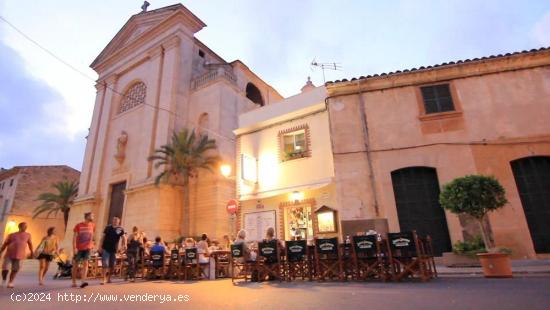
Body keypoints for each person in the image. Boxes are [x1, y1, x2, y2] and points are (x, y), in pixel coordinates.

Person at [0, 222, 33, 288]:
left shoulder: (28, 235)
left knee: (15, 269)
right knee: (5, 268)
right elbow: (5, 244)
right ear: (19, 227)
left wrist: (32, 252)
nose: (25, 227)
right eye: (24, 226)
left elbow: (30, 244)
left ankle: (10, 282)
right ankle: (4, 280)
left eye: (26, 226)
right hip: (9, 254)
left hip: (20, 255)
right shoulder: (11, 235)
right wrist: (0, 251)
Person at [99, 216, 126, 285]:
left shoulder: (120, 229)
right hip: (105, 248)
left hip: (114, 250)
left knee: (112, 265)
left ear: (119, 221)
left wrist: (124, 245)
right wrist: (100, 247)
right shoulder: (108, 227)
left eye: (116, 220)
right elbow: (103, 237)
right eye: (114, 219)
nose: (115, 221)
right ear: (112, 220)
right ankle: (103, 279)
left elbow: (124, 238)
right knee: (105, 264)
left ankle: (109, 278)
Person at [72, 212, 95, 288]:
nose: (93, 217)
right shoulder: (78, 225)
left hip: (88, 248)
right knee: (76, 265)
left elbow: (92, 236)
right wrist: (74, 248)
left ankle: (83, 281)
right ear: (87, 216)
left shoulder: (92, 225)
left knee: (86, 263)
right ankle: (74, 281)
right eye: (92, 216)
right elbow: (74, 237)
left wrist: (92, 244)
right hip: (79, 248)